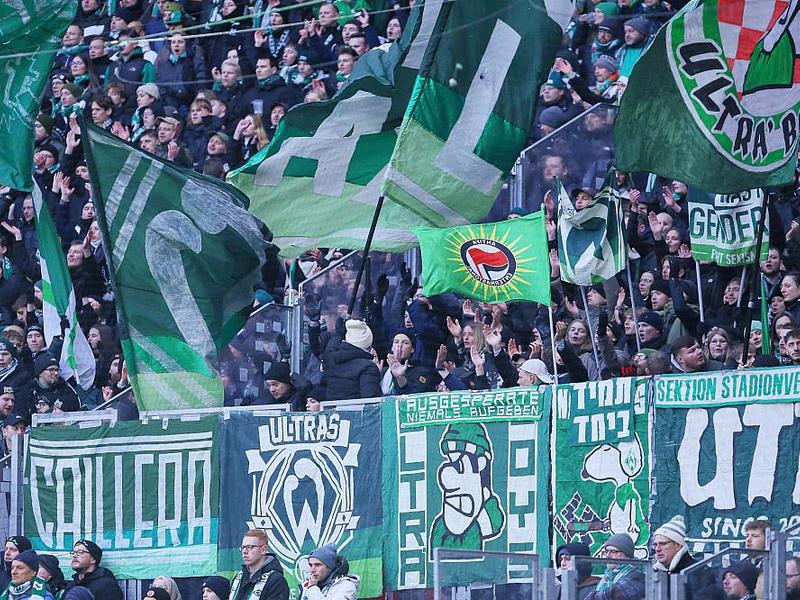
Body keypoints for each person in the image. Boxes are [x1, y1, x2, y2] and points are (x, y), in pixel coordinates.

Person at [322, 320, 382, 401]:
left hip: (333, 413)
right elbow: (371, 404)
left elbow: (330, 349)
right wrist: (377, 374)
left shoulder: (331, 359)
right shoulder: (368, 368)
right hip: (355, 413)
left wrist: (338, 335)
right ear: (368, 346)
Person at [229, 529, 289, 600]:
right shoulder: (238, 577)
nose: (244, 551)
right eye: (243, 547)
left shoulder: (276, 581)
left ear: (263, 550)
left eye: (249, 547)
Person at [585, 533, 645, 600]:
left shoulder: (637, 574)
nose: (608, 555)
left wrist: (593, 597)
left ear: (627, 555)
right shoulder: (607, 577)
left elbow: (615, 595)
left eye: (613, 551)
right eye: (606, 551)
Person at [652, 515, 694, 595]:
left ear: (677, 545)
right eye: (655, 545)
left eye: (663, 543)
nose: (657, 549)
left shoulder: (696, 572)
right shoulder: (656, 572)